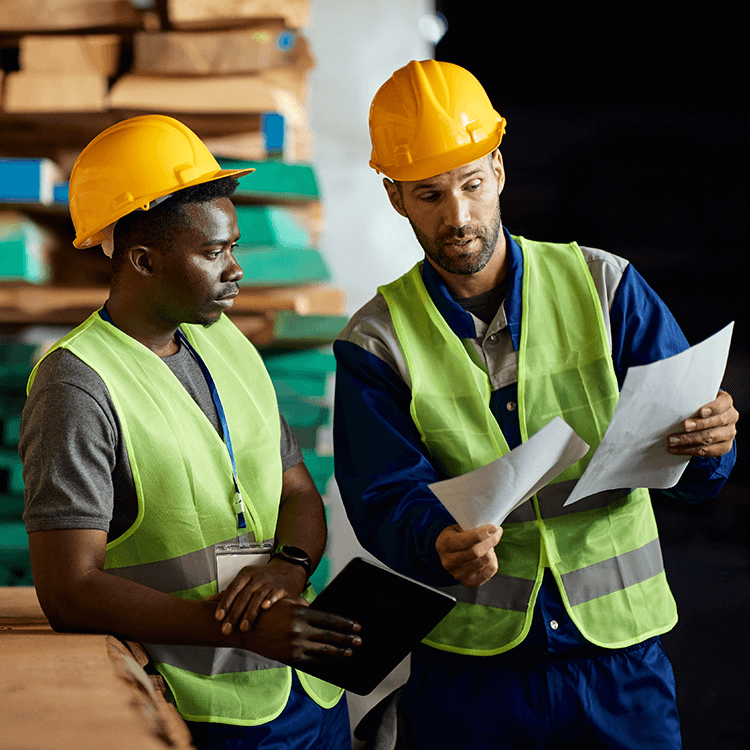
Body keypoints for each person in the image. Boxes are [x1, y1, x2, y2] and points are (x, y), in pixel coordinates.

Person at [333, 60, 738, 749]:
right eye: (430, 195)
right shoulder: (376, 342)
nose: (457, 216)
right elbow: (382, 497)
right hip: (471, 677)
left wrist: (713, 444)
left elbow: (699, 472)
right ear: (395, 197)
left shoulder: (606, 287)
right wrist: (438, 541)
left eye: (471, 184)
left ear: (498, 168)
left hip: (618, 665)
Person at [20, 114, 361, 750]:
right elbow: (68, 590)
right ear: (143, 260)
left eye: (232, 248)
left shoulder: (225, 342)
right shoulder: (77, 385)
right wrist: (235, 628)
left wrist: (288, 569)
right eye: (213, 253)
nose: (236, 271)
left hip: (308, 691)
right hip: (201, 711)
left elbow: (296, 491)